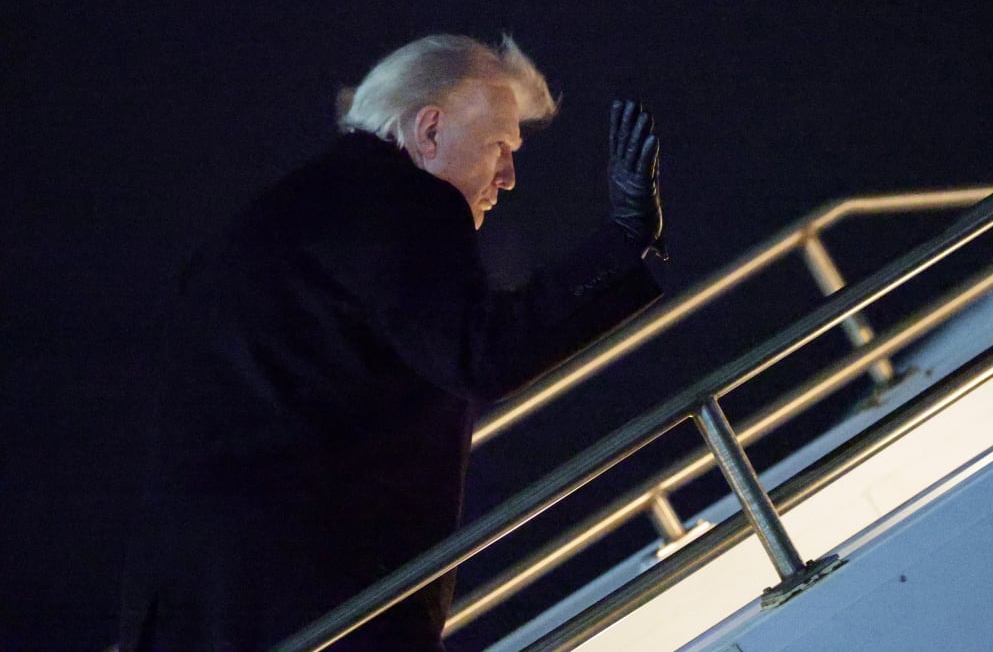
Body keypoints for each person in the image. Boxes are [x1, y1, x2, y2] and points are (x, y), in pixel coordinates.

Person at [119, 34, 666, 651]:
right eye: (499, 147)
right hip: (316, 592)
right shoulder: (403, 199)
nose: (509, 178)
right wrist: (622, 241)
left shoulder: (284, 212)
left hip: (198, 598)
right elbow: (481, 353)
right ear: (429, 131)